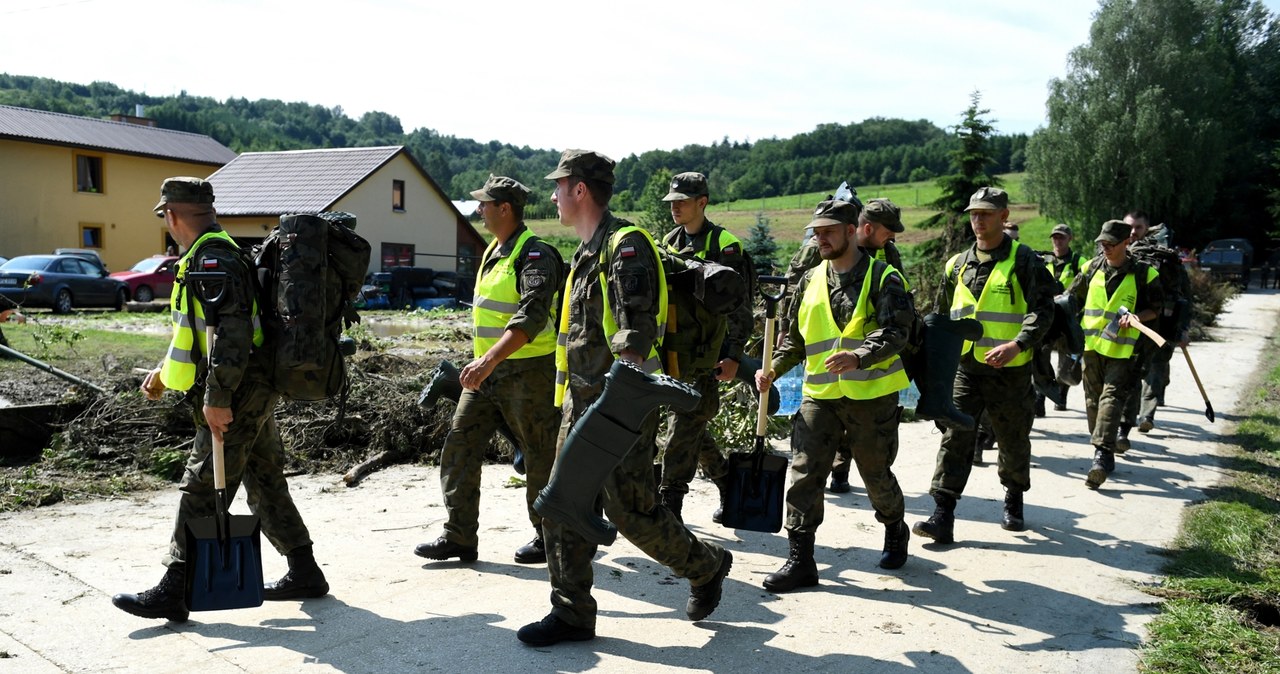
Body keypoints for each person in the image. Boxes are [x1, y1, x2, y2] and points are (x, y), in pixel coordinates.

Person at [516, 150, 732, 647]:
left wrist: (617, 404)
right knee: (562, 504)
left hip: (617, 408)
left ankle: (706, 566)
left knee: (632, 513)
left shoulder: (624, 245)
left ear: (580, 190)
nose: (552, 195)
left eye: (559, 185)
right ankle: (571, 611)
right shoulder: (587, 251)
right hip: (582, 402)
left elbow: (636, 330)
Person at [112, 177, 327, 623]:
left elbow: (233, 333)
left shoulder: (213, 258)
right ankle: (304, 570)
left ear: (170, 214)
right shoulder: (213, 253)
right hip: (248, 387)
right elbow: (197, 333)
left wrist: (218, 396)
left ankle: (176, 585)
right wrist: (165, 373)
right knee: (264, 480)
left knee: (200, 485)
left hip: (236, 391)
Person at [754, 198, 915, 591]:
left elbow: (898, 331)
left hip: (871, 396)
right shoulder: (809, 281)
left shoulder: (884, 277)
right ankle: (801, 559)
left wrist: (860, 355)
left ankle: (894, 527)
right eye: (816, 231)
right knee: (805, 472)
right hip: (820, 396)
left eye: (828, 230)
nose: (820, 238)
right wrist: (772, 368)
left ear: (851, 230)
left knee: (875, 475)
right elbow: (795, 339)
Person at [413, 175, 563, 564]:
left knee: (538, 457)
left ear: (505, 208)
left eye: (485, 204)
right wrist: (483, 362)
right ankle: (459, 536)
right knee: (459, 446)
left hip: (529, 374)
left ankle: (549, 537)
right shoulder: (492, 252)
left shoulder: (536, 254)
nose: (479, 210)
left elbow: (530, 318)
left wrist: (488, 359)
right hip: (486, 375)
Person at [913, 187, 1055, 544]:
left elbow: (1043, 310)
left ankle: (1014, 498)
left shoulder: (1023, 261)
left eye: (987, 214)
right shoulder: (957, 264)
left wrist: (1018, 343)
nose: (978, 220)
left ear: (1004, 216)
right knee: (955, 435)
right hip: (966, 369)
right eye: (974, 214)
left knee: (1012, 439)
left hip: (1010, 370)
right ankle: (942, 514)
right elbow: (941, 318)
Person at [781, 196, 906, 493]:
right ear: (865, 227)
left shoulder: (885, 259)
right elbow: (797, 292)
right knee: (808, 463)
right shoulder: (817, 252)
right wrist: (784, 341)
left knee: (875, 468)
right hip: (822, 375)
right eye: (886, 230)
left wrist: (863, 354)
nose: (890, 237)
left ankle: (847, 471)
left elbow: (898, 318)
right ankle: (836, 471)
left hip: (871, 376)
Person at [655, 171, 753, 523]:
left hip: (707, 353)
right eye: (672, 202)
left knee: (683, 426)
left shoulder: (725, 245)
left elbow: (741, 307)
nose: (675, 208)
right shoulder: (669, 240)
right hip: (673, 352)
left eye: (683, 201)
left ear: (703, 202)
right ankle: (727, 481)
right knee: (691, 424)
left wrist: (733, 355)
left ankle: (670, 506)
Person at [1064, 219, 1163, 489]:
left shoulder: (1145, 274)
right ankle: (1104, 452)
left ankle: (1101, 454)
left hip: (1123, 350)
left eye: (1111, 244)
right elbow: (1070, 300)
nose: (1105, 248)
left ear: (1126, 243)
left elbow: (1156, 308)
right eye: (1102, 244)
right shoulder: (1090, 268)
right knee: (1092, 401)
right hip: (1091, 347)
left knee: (1111, 398)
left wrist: (1137, 316)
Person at [1124, 211, 1191, 439]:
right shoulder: (1113, 253)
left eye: (1138, 228)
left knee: (1155, 370)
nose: (1133, 232)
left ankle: (1146, 416)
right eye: (1129, 228)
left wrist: (1183, 329)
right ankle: (1130, 416)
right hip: (1129, 327)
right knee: (1132, 372)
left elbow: (1184, 296)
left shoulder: (1164, 258)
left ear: (1147, 229)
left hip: (1160, 325)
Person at [1035, 223, 1088, 413]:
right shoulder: (1043, 260)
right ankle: (1039, 399)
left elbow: (1086, 289)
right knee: (1041, 358)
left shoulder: (1079, 262)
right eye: (1055, 237)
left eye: (1062, 237)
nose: (1058, 241)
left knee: (1066, 362)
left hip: (1068, 320)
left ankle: (1061, 395)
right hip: (1046, 319)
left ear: (1069, 239)